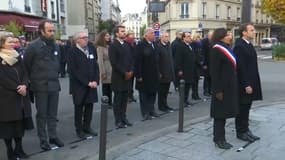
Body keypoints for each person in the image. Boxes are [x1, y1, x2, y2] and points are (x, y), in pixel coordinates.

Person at [24, 20, 64, 150]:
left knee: (52, 114)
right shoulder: (33, 46)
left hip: (54, 84)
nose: (52, 33)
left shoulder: (56, 46)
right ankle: (43, 140)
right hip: (40, 86)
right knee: (42, 114)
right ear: (42, 31)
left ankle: (53, 136)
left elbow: (58, 63)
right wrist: (32, 82)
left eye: (53, 30)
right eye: (49, 31)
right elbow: (26, 66)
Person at [0, 31, 34, 160]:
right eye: (10, 42)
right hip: (6, 97)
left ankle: (19, 149)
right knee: (8, 127)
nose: (13, 44)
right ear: (2, 43)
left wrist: (25, 85)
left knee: (20, 125)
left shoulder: (17, 55)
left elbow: (25, 72)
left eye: (14, 41)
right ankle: (10, 151)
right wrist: (16, 87)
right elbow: (2, 77)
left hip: (21, 95)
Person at [210, 28, 239, 149]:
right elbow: (214, 72)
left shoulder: (226, 47)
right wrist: (217, 90)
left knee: (224, 113)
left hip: (229, 87)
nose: (230, 36)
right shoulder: (217, 49)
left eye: (230, 34)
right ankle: (218, 139)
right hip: (221, 89)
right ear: (220, 36)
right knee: (220, 115)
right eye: (227, 35)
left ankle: (221, 138)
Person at [234, 23, 263, 142]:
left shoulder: (248, 44)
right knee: (242, 108)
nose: (254, 32)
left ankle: (245, 129)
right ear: (244, 32)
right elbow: (240, 68)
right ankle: (241, 132)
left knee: (247, 107)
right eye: (251, 30)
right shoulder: (239, 46)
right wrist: (246, 84)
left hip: (252, 81)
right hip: (244, 85)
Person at [68, 31, 99, 139]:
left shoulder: (90, 49)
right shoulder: (72, 52)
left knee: (89, 107)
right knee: (79, 108)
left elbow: (95, 66)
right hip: (79, 86)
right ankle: (79, 130)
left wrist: (95, 80)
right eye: (84, 37)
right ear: (77, 40)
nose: (87, 39)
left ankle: (87, 126)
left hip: (92, 85)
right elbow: (73, 71)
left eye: (87, 37)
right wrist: (87, 82)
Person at [109, 25, 134, 128]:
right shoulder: (113, 46)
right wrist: (125, 73)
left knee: (124, 99)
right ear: (117, 33)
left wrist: (131, 71)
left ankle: (124, 117)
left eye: (125, 31)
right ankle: (118, 120)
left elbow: (132, 59)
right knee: (118, 100)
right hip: (119, 77)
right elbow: (114, 63)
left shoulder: (127, 45)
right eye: (122, 31)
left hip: (128, 76)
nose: (124, 33)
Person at [135, 28, 160, 120]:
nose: (154, 35)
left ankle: (151, 110)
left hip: (154, 74)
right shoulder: (140, 45)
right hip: (144, 75)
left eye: (154, 33)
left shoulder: (155, 44)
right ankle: (145, 112)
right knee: (144, 95)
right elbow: (137, 62)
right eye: (152, 33)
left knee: (153, 93)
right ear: (146, 35)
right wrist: (139, 75)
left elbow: (157, 60)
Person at [174, 31, 195, 107]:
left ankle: (186, 100)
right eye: (188, 36)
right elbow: (178, 59)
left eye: (190, 36)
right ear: (183, 38)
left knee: (188, 86)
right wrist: (179, 70)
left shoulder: (190, 45)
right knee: (183, 87)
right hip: (183, 71)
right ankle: (183, 101)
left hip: (190, 70)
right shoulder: (180, 46)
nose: (190, 38)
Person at [156, 31, 175, 113]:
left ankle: (165, 104)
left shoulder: (168, 46)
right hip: (162, 73)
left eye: (168, 36)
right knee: (161, 91)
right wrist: (159, 72)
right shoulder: (158, 46)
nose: (167, 38)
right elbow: (157, 61)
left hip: (169, 72)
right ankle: (161, 106)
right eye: (165, 36)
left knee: (166, 91)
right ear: (161, 37)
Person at [96, 31, 113, 107]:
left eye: (109, 35)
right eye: (106, 36)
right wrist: (103, 72)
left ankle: (110, 102)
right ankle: (106, 102)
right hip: (105, 68)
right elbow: (100, 61)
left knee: (111, 87)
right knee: (106, 87)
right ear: (102, 37)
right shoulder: (100, 47)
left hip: (112, 68)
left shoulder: (110, 46)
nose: (108, 37)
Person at [125, 30, 137, 103]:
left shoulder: (134, 43)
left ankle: (131, 95)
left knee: (132, 81)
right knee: (128, 82)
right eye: (131, 34)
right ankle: (127, 96)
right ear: (128, 35)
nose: (133, 36)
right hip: (128, 65)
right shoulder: (126, 43)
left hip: (133, 64)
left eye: (133, 34)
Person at [190, 33, 203, 100]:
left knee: (196, 81)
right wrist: (199, 62)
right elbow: (195, 55)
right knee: (194, 82)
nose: (199, 39)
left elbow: (200, 54)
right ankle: (194, 95)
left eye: (199, 38)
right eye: (198, 37)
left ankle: (196, 94)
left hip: (197, 66)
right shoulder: (193, 44)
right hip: (194, 66)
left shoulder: (198, 44)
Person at [201, 31, 213, 96]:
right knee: (206, 78)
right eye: (211, 35)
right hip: (207, 63)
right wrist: (204, 64)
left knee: (211, 77)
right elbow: (203, 53)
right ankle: (205, 91)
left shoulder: (214, 41)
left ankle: (210, 90)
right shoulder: (204, 42)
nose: (211, 37)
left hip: (212, 63)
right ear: (208, 35)